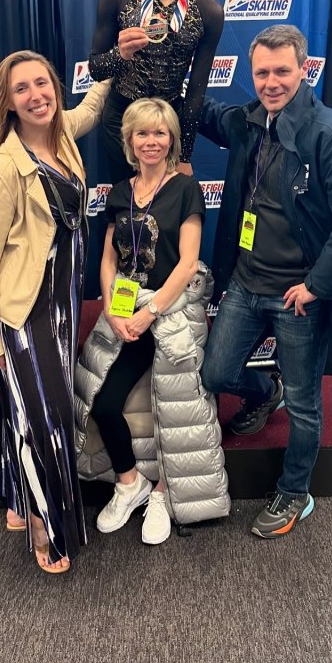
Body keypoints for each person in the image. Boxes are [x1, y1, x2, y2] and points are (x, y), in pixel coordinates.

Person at [198, 24, 332, 539]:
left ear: (304, 70)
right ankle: (264, 390)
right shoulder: (247, 122)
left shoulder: (331, 133)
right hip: (244, 282)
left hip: (297, 296)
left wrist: (318, 286)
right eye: (262, 72)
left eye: (283, 71)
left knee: (306, 402)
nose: (272, 81)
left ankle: (295, 491)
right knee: (215, 374)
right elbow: (201, 114)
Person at [0, 49, 110, 574]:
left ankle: (14, 497)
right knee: (45, 420)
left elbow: (89, 110)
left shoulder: (63, 135)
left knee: (22, 406)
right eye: (22, 89)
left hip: (64, 305)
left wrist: (113, 65)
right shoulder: (4, 169)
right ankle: (42, 527)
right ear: (7, 101)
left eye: (43, 84)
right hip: (25, 313)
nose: (36, 96)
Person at [74, 98, 230, 544]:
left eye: (160, 133)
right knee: (102, 403)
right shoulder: (120, 192)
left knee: (176, 409)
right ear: (129, 141)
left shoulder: (185, 189)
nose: (151, 141)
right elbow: (107, 258)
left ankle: (163, 493)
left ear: (172, 141)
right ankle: (130, 484)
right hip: (125, 311)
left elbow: (187, 263)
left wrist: (150, 313)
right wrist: (111, 307)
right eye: (143, 133)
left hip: (170, 313)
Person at [88, 0, 224, 183]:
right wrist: (119, 55)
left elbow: (196, 94)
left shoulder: (210, 12)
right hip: (122, 123)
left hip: (168, 126)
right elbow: (95, 69)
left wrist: (185, 156)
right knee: (124, 211)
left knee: (164, 215)